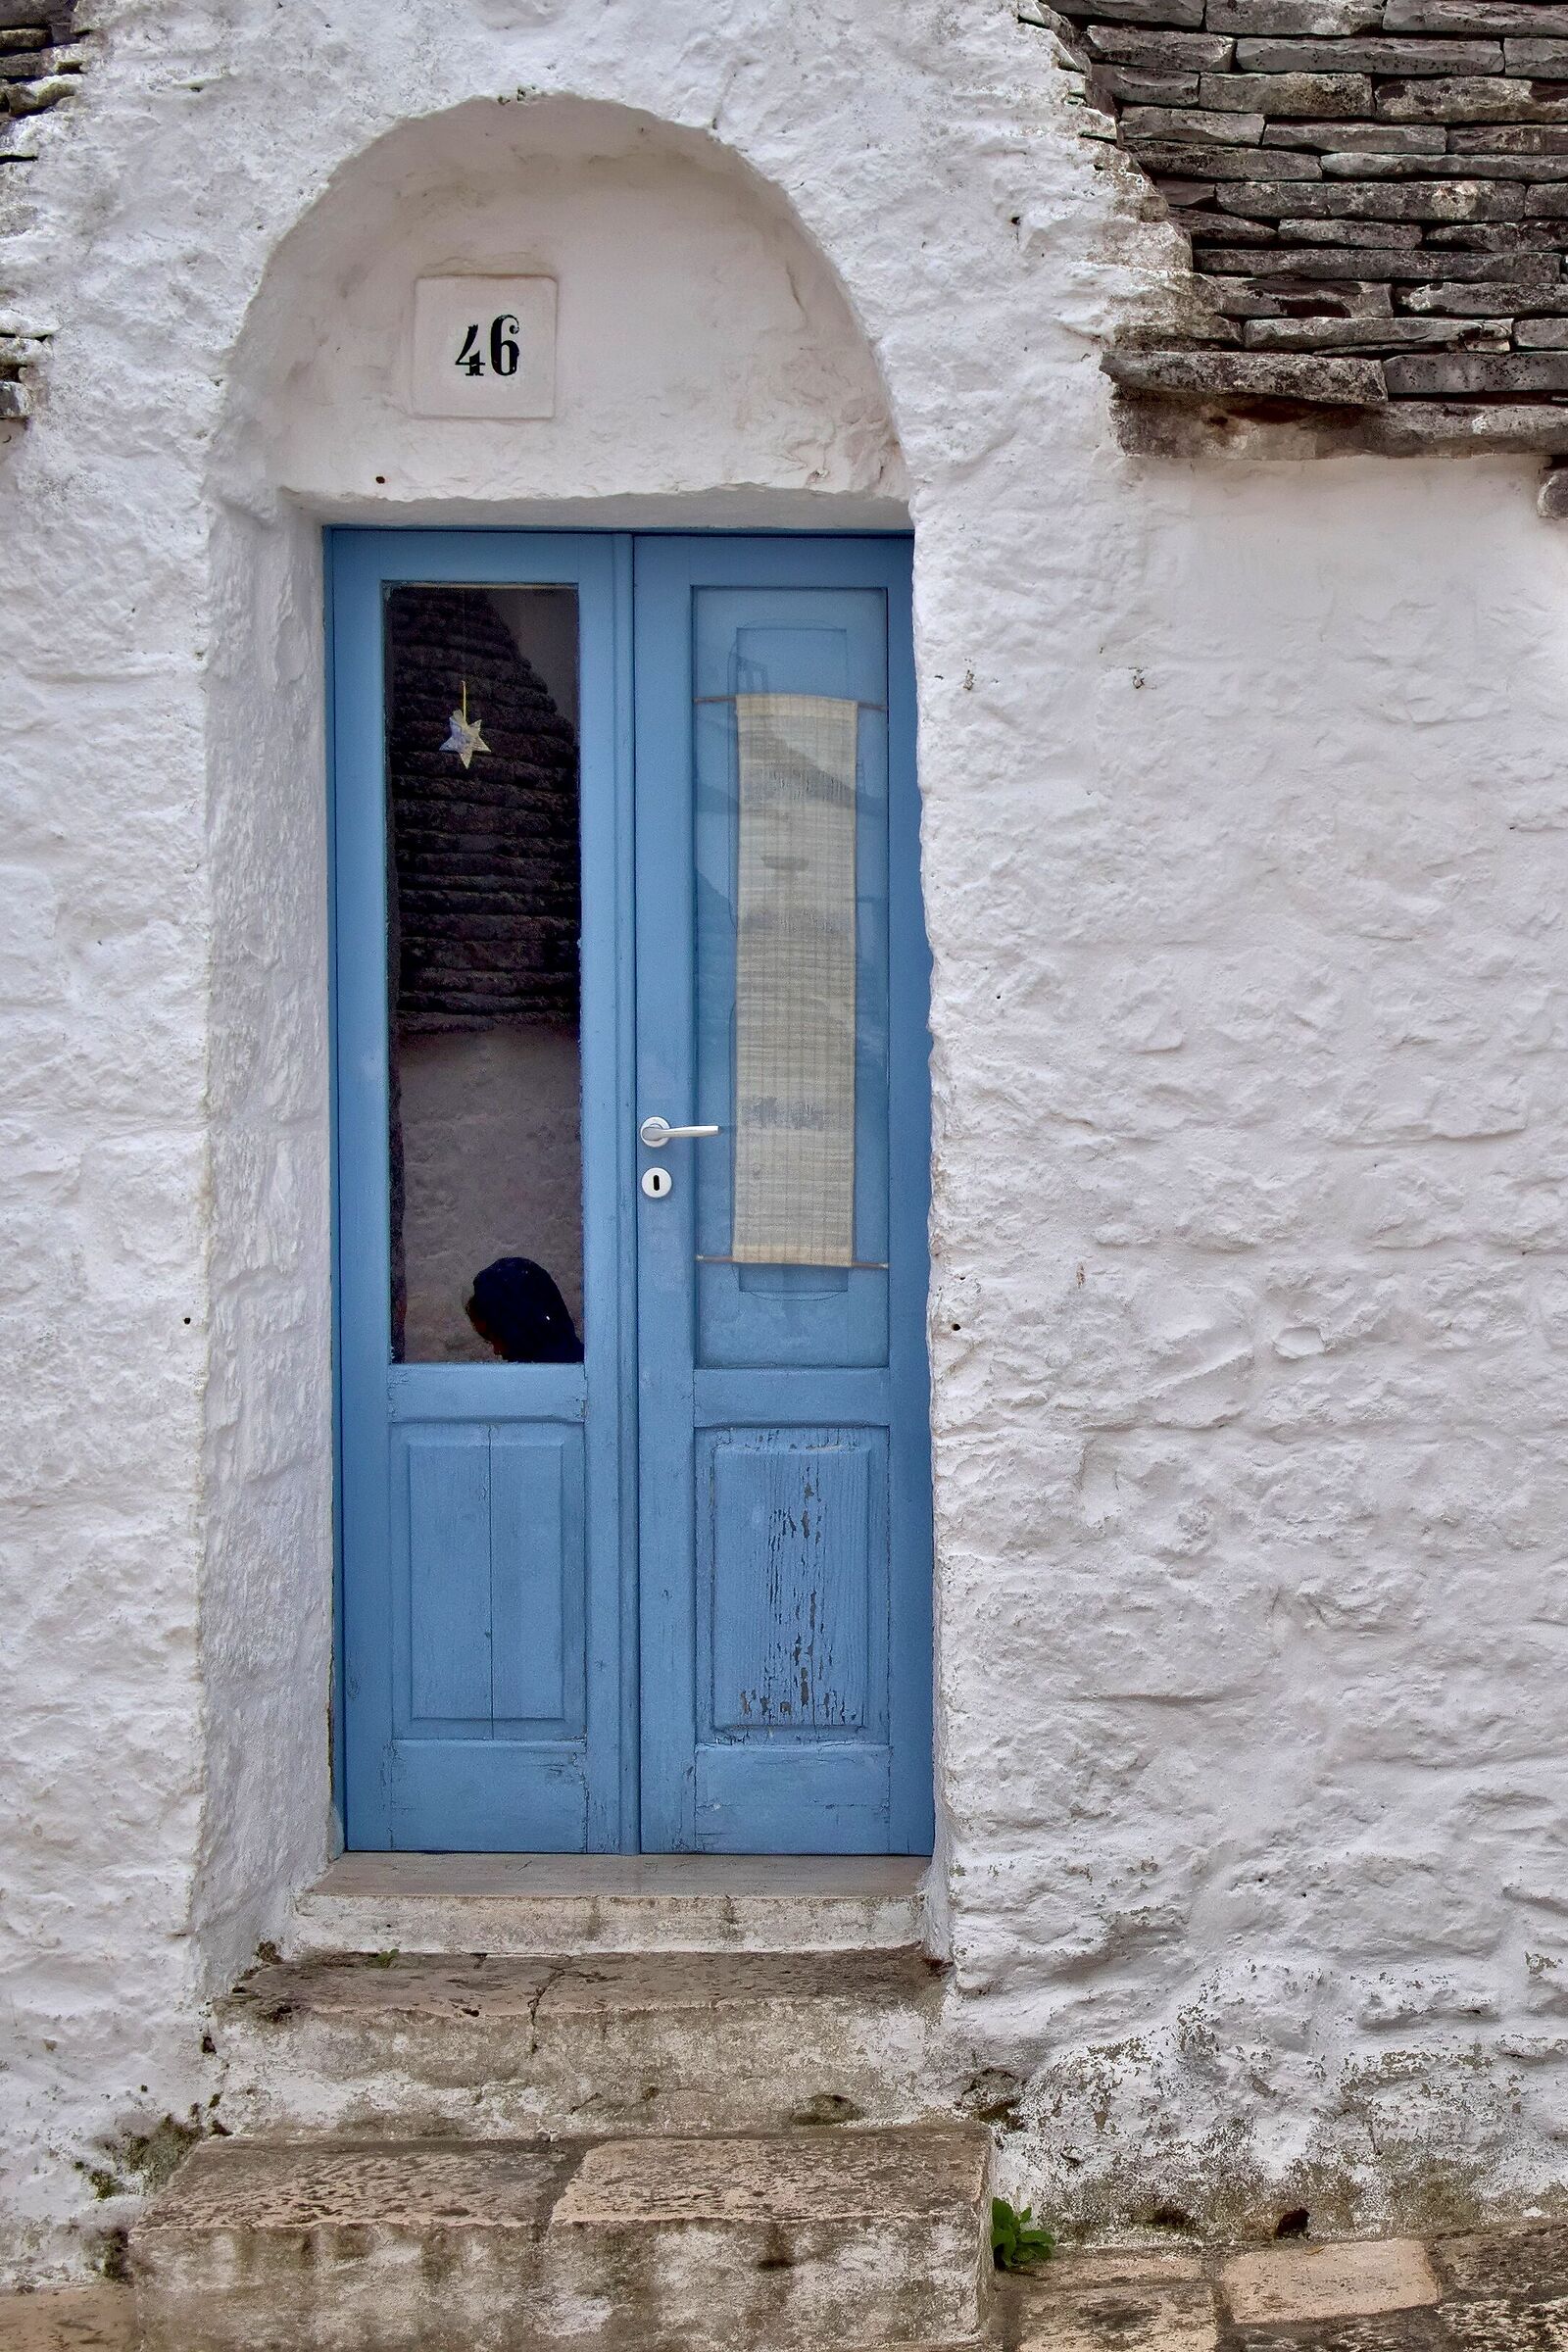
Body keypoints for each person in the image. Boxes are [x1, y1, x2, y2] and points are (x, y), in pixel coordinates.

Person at [466, 1256, 583, 1363]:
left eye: (499, 1337)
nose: (497, 1350)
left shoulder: (538, 1378)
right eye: (489, 1340)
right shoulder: (584, 1365)